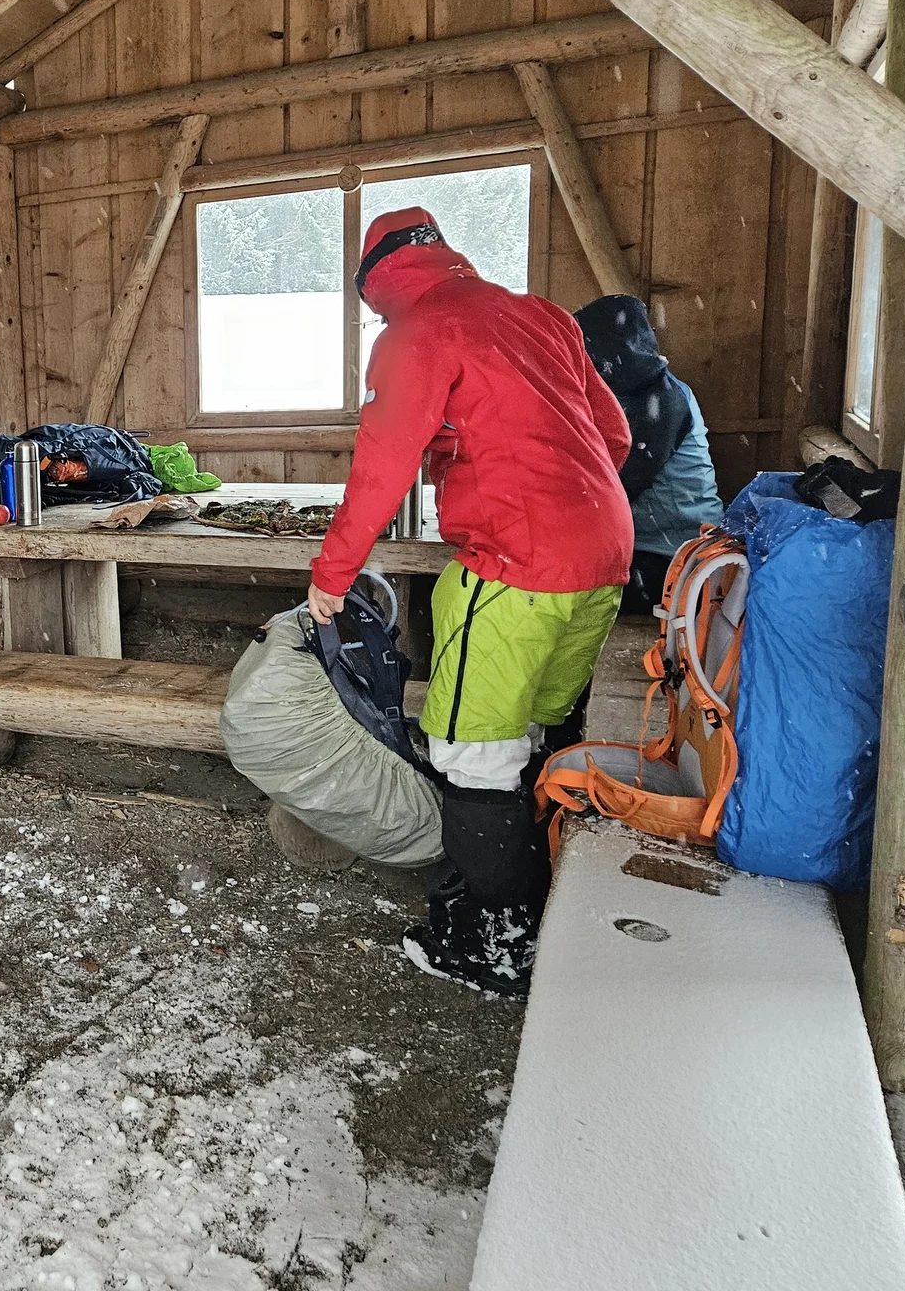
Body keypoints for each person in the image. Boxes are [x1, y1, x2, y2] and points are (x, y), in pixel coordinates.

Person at [305, 209, 633, 996]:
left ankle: (501, 942)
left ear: (378, 284)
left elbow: (379, 472)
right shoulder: (540, 316)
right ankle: (536, 899)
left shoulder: (416, 331)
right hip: (603, 553)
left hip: (514, 564)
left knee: (469, 751)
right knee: (525, 732)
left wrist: (332, 576)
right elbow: (614, 436)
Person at [574, 294, 723, 615]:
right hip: (647, 548)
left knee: (554, 588)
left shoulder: (661, 401)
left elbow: (615, 489)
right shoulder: (626, 393)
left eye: (589, 351)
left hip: (679, 559)